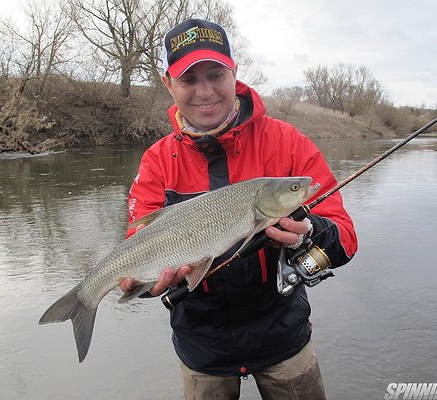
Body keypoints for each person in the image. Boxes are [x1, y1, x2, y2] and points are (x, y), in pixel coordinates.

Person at [120, 18, 358, 400]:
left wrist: (312, 231)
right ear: (168, 83)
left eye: (216, 74)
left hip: (284, 341)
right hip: (203, 352)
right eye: (188, 80)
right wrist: (143, 286)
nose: (205, 91)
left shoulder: (288, 143)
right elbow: (138, 249)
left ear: (234, 71)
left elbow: (345, 238)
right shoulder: (156, 162)